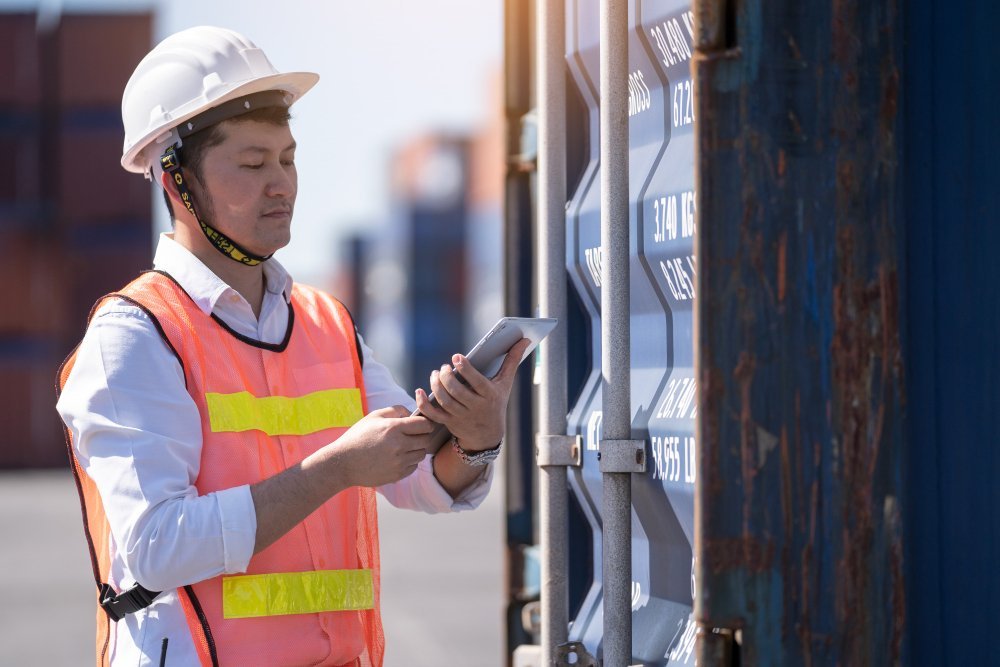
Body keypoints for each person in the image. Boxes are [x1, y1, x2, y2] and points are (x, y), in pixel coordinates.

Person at [56, 26, 528, 667]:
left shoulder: (326, 322)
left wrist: (477, 439)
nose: (282, 184)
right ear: (175, 182)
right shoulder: (135, 335)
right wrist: (336, 469)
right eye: (252, 165)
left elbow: (418, 477)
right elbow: (157, 547)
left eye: (287, 158)